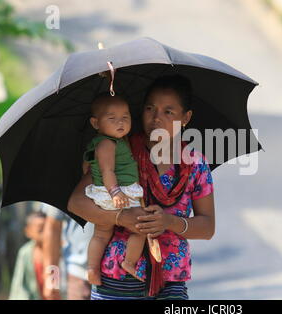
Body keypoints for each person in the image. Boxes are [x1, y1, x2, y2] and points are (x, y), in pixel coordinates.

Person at [67, 74, 215, 300]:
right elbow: (76, 202)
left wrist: (169, 222)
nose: (156, 118)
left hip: (170, 279)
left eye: (168, 112)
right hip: (117, 278)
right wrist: (121, 217)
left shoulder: (196, 164)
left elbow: (207, 227)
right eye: (149, 108)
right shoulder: (120, 153)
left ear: (186, 117)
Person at [83, 94, 146, 284]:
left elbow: (86, 167)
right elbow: (107, 170)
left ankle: (92, 269)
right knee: (141, 229)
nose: (120, 122)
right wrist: (115, 192)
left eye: (125, 117)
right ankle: (129, 262)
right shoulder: (107, 144)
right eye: (112, 119)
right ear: (95, 123)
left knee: (101, 234)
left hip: (108, 193)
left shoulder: (104, 142)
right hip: (118, 193)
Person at [41, 203, 93, 300]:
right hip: (79, 274)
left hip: (119, 274)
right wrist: (52, 279)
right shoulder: (59, 188)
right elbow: (53, 227)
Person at [9, 211, 46, 300]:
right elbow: (18, 283)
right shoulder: (25, 253)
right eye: (40, 230)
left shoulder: (58, 251)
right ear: (28, 231)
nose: (45, 233)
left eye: (47, 229)